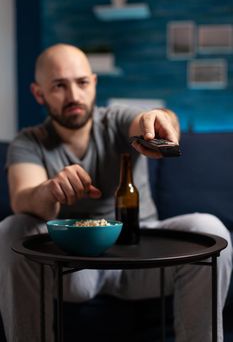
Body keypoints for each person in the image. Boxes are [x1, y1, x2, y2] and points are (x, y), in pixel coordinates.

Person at [0, 43, 231, 342]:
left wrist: (161, 120)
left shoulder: (117, 119)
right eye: (59, 86)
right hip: (74, 263)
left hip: (144, 256)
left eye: (82, 82)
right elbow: (23, 199)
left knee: (210, 227)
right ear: (38, 93)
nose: (74, 96)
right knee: (11, 228)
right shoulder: (29, 142)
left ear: (93, 82)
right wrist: (49, 189)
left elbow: (151, 120)